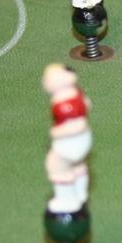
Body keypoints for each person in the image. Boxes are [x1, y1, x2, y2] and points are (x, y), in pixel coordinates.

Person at [43, 64, 92, 215]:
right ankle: (80, 192)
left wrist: (56, 132)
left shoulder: (64, 104)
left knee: (55, 166)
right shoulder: (76, 91)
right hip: (83, 139)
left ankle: (68, 201)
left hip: (71, 142)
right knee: (77, 165)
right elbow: (88, 104)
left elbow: (78, 125)